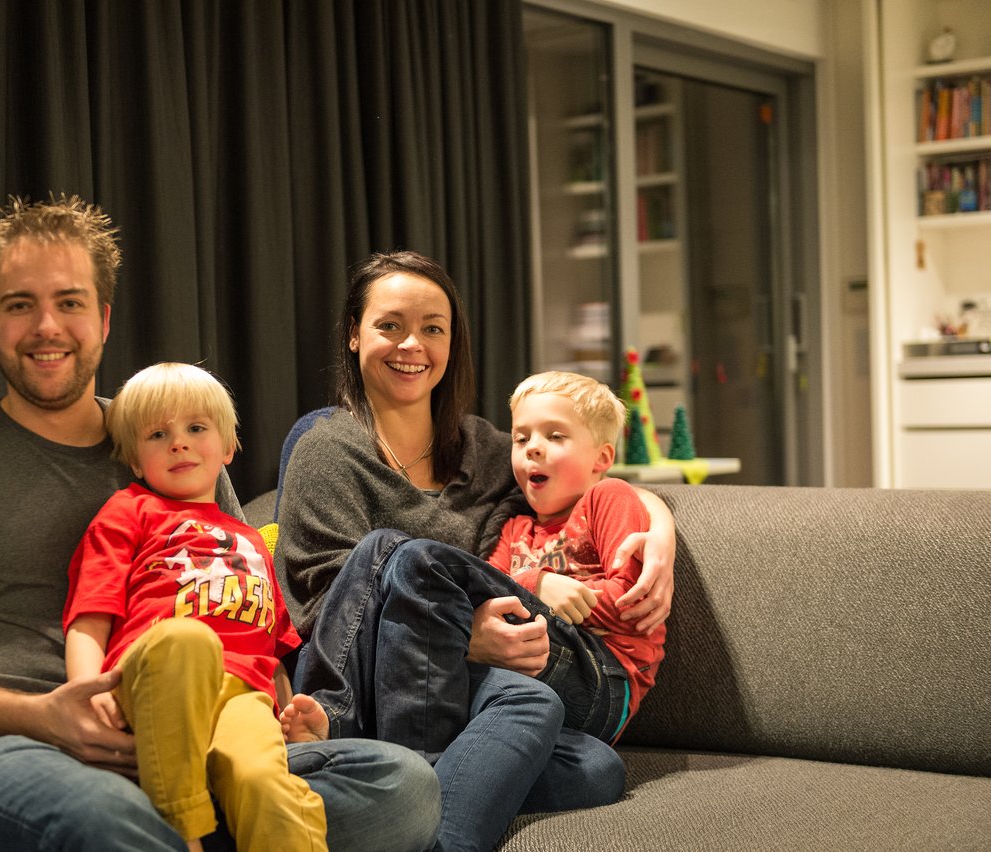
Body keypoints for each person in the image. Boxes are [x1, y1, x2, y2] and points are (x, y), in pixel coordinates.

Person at [0, 197, 440, 852]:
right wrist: (45, 716)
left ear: (104, 318)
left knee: (403, 786)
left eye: (69, 302)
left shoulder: (174, 437)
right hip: (3, 751)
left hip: (193, 732)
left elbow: (244, 614)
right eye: (18, 305)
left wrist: (279, 715)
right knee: (113, 823)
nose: (46, 327)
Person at [276, 251, 676, 852]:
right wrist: (460, 632)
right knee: (403, 554)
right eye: (390, 325)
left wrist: (659, 522)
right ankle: (407, 775)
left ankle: (401, 794)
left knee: (594, 765)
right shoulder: (327, 448)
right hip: (370, 678)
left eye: (433, 328)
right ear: (355, 334)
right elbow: (330, 605)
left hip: (474, 681)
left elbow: (583, 489)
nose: (413, 344)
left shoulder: (491, 449)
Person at [63, 362, 327, 852]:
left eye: (196, 428)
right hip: (155, 681)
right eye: (158, 433)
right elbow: (89, 614)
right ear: (136, 460)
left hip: (241, 696)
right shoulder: (129, 510)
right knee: (188, 639)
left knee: (266, 784)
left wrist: (288, 718)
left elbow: (272, 651)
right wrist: (85, 692)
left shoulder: (251, 539)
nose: (179, 442)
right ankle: (183, 834)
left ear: (227, 447)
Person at [489, 370, 666, 739]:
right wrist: (536, 584)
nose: (533, 447)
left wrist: (541, 597)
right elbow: (485, 593)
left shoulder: (608, 498)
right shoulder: (515, 528)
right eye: (521, 438)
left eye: (555, 436)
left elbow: (632, 603)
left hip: (603, 678)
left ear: (601, 458)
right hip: (524, 681)